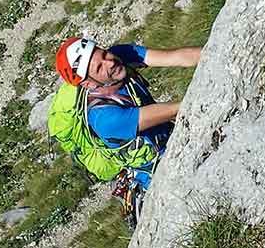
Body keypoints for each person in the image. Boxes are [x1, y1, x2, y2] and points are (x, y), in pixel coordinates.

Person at [53, 37, 200, 221]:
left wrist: (214, 51)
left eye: (104, 54)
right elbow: (175, 110)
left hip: (170, 137)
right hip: (157, 172)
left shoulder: (119, 56)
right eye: (99, 68)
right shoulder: (103, 117)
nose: (110, 62)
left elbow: (177, 57)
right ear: (89, 83)